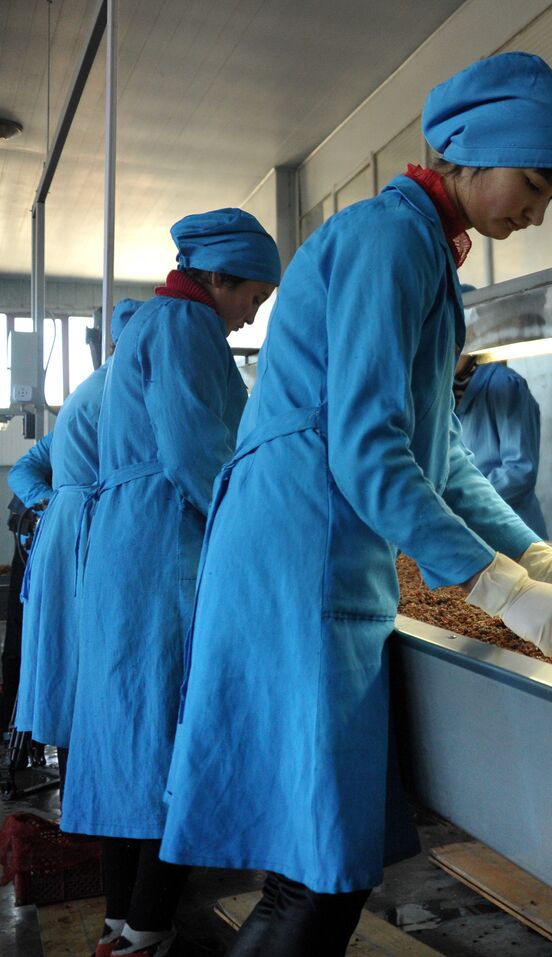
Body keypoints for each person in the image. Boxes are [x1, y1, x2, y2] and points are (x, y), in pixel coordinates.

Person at [159, 52, 552, 956]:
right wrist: (499, 592)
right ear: (472, 155)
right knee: (317, 874)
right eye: (531, 186)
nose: (535, 211)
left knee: (325, 866)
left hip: (319, 547)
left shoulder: (427, 256)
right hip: (302, 550)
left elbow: (440, 455)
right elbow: (368, 451)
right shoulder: (389, 241)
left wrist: (535, 557)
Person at [62, 211, 278, 957]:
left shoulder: (154, 325)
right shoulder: (187, 325)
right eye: (251, 296)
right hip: (163, 548)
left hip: (129, 546)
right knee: (170, 740)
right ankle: (149, 928)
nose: (252, 312)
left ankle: (120, 923)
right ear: (219, 278)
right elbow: (198, 453)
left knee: (130, 737)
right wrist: (262, 526)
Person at [14, 299, 140, 757]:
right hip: (89, 534)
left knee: (69, 662)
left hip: (66, 530)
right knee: (94, 664)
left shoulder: (86, 392)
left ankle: (75, 806)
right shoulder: (124, 396)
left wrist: (50, 502)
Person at [452, 287, 548, 537]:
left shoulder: (506, 384)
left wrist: (464, 498)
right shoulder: (439, 393)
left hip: (512, 531)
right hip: (468, 534)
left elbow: (520, 470)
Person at [2, 434, 52, 730]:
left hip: (39, 528)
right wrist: (51, 504)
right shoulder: (77, 425)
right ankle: (15, 724)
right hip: (31, 533)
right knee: (22, 634)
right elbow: (20, 471)